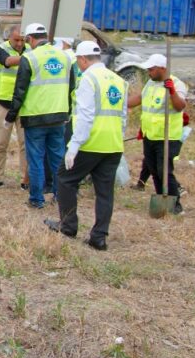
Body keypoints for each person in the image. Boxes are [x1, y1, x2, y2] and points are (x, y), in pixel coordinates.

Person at [45, 41, 126, 249]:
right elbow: (123, 116)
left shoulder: (88, 79)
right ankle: (99, 237)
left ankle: (68, 225)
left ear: (82, 59)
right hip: (113, 144)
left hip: (90, 143)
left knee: (65, 178)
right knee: (105, 192)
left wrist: (74, 146)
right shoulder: (117, 80)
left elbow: (85, 116)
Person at [6, 23, 76, 210]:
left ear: (29, 39)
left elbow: (19, 90)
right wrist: (67, 112)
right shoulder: (65, 57)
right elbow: (70, 88)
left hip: (35, 117)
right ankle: (60, 195)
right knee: (57, 158)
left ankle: (37, 199)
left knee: (36, 159)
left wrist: (11, 116)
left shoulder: (29, 58)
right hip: (59, 116)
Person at [127, 53, 187, 215]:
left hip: (167, 137)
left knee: (164, 171)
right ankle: (163, 199)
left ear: (162, 68)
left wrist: (172, 91)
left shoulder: (177, 84)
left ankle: (176, 205)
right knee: (154, 171)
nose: (149, 72)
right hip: (150, 135)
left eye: (152, 69)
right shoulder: (151, 84)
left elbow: (180, 106)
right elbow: (140, 98)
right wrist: (122, 104)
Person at [0, 26, 29, 190]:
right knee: (0, 142)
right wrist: (31, 57)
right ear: (8, 37)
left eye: (22, 40)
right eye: (16, 39)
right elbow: (8, 61)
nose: (19, 43)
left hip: (25, 103)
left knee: (25, 144)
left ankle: (26, 179)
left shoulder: (29, 49)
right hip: (4, 102)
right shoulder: (0, 49)